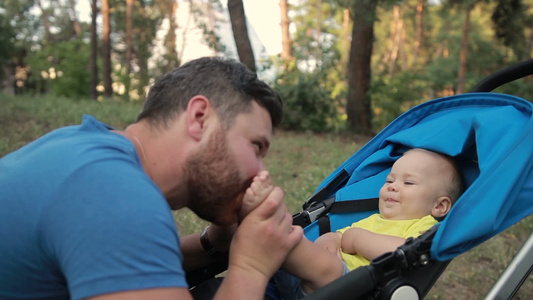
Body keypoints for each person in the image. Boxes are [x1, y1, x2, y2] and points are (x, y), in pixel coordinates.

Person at [0, 57, 303, 300]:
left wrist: (213, 244)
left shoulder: (90, 151)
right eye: (256, 147)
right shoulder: (117, 194)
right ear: (200, 118)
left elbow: (125, 262)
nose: (260, 172)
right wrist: (250, 267)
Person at [243, 148, 464, 299]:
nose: (392, 186)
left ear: (440, 206)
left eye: (408, 182)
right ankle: (266, 231)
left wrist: (357, 239)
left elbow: (404, 252)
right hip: (307, 280)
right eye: (389, 180)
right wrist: (327, 241)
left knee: (326, 267)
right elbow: (339, 235)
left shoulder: (425, 227)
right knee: (309, 248)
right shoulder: (374, 219)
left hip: (351, 290)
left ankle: (269, 223)